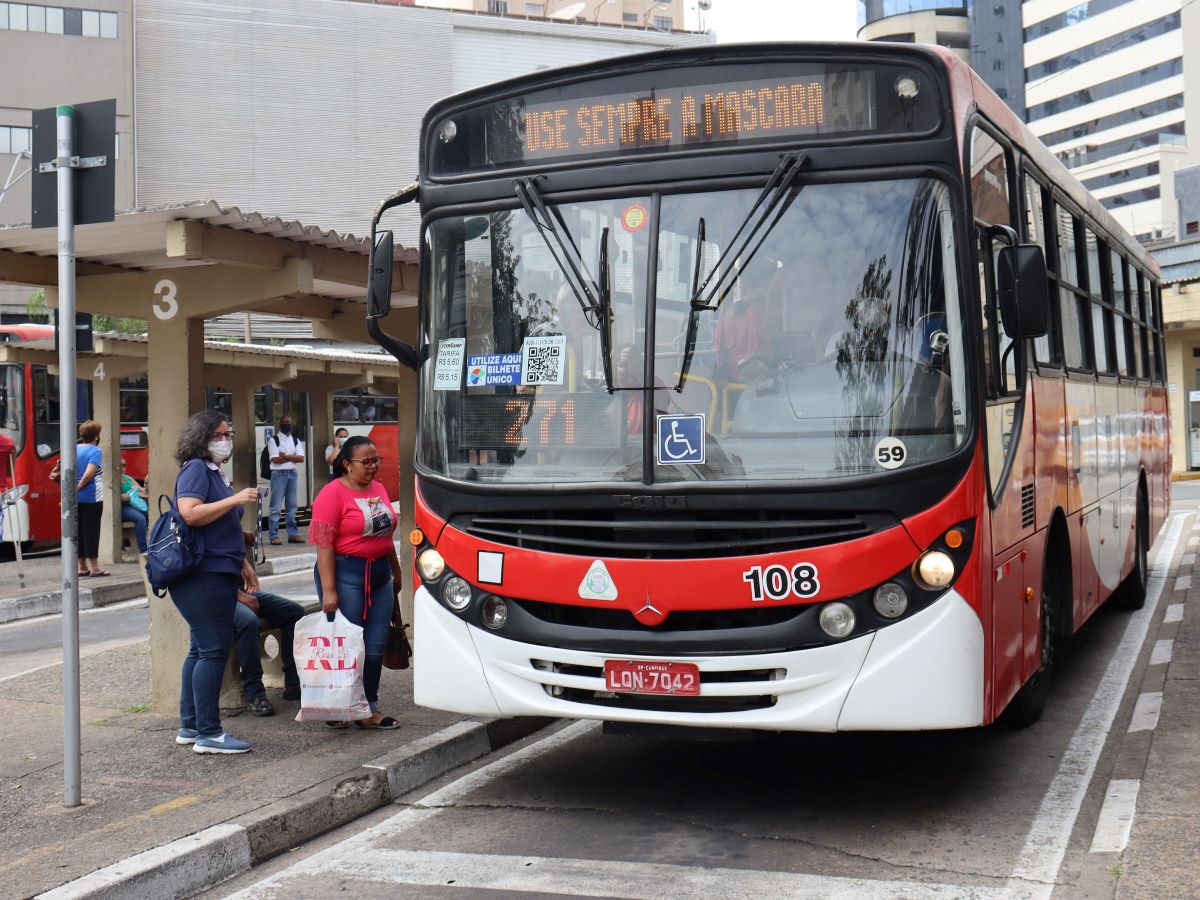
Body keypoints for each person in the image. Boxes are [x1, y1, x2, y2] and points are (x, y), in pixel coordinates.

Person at [170, 410, 261, 755]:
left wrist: (242, 559)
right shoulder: (196, 468)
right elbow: (190, 513)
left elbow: (219, 524)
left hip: (217, 570)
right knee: (213, 650)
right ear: (202, 437)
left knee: (200, 649)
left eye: (228, 434)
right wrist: (237, 499)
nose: (226, 441)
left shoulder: (213, 472)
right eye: (219, 435)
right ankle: (209, 732)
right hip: (203, 575)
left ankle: (191, 725)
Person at [309, 435, 402, 730]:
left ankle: (367, 706)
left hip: (379, 575)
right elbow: (324, 545)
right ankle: (342, 705)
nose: (374, 466)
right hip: (345, 574)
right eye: (367, 461)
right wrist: (329, 590)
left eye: (377, 460)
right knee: (348, 646)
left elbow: (384, 534)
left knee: (375, 645)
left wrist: (395, 570)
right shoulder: (331, 494)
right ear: (347, 465)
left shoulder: (379, 488)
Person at [232, 587, 304, 716]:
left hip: (239, 588)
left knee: (294, 612)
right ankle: (255, 693)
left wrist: (245, 567)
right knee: (249, 622)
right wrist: (237, 594)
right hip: (219, 593)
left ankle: (293, 683)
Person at [266, 415, 305, 545]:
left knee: (292, 506)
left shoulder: (295, 440)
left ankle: (292, 534)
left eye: (289, 422)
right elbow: (275, 459)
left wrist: (285, 455)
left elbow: (301, 458)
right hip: (278, 474)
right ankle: (273, 536)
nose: (287, 424)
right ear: (280, 424)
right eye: (284, 423)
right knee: (275, 507)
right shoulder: (273, 440)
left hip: (292, 474)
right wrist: (292, 457)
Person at [75, 420, 106, 577]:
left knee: (79, 530)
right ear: (95, 436)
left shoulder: (74, 449)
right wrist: (78, 489)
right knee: (92, 531)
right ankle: (94, 568)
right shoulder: (95, 451)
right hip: (92, 497)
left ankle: (82, 567)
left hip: (77, 500)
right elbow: (88, 474)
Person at [118, 456, 149, 555]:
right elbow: (117, 498)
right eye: (119, 465)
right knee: (140, 518)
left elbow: (143, 492)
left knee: (149, 513)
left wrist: (140, 489)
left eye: (124, 465)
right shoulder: (113, 480)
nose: (122, 467)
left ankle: (153, 543)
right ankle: (144, 550)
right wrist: (130, 494)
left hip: (134, 506)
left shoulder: (128, 478)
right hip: (122, 508)